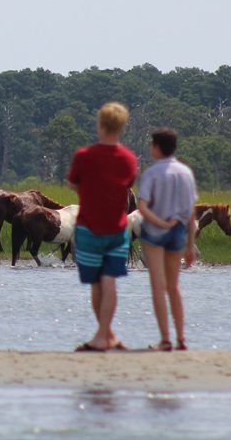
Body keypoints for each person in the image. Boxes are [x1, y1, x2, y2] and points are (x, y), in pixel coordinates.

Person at [66, 102, 138, 352]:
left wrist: (89, 192)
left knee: (97, 283)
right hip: (118, 229)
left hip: (88, 228)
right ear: (121, 126)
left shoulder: (84, 156)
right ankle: (109, 335)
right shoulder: (129, 160)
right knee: (110, 281)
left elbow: (74, 184)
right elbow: (127, 184)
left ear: (100, 125)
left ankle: (101, 336)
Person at [136, 128, 198, 352]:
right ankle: (181, 338)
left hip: (155, 231)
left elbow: (142, 206)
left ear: (157, 148)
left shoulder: (152, 173)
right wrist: (190, 245)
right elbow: (190, 211)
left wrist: (159, 223)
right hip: (178, 230)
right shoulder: (186, 173)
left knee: (157, 287)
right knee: (174, 287)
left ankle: (165, 340)